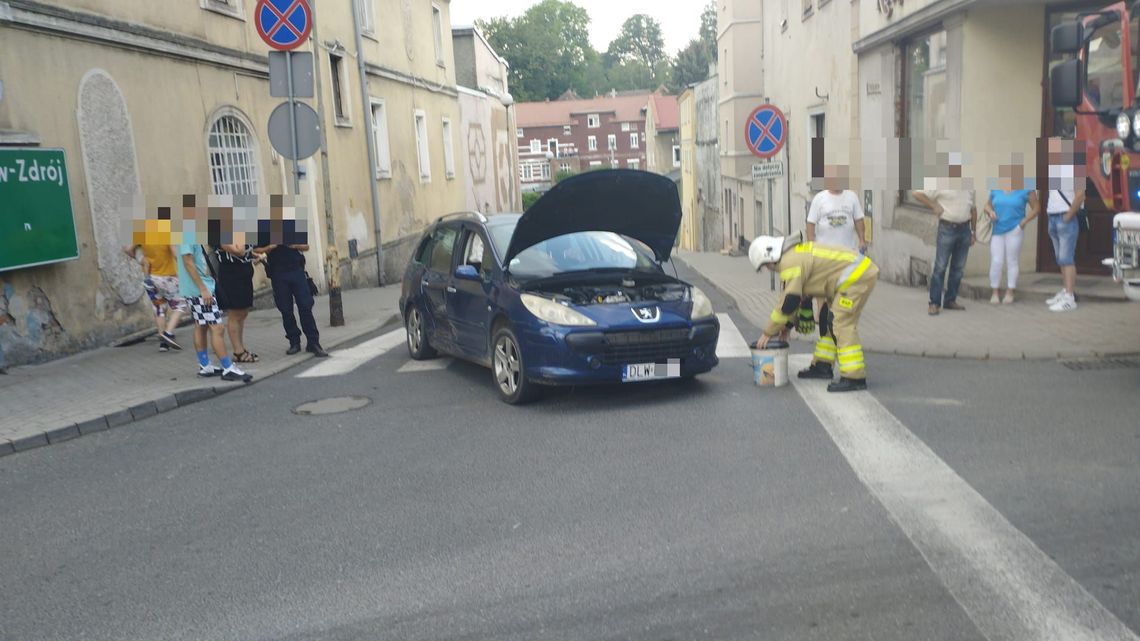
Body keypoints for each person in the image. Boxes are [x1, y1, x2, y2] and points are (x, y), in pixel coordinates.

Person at [749, 232, 879, 393]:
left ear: (770, 256)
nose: (768, 269)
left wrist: (768, 333)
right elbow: (796, 296)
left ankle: (854, 377)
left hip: (857, 277)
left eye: (765, 265)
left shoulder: (790, 263)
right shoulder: (792, 257)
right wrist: (788, 325)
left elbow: (789, 300)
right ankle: (823, 366)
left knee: (840, 323)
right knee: (826, 319)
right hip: (845, 280)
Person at [801, 164, 868, 379]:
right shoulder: (820, 199)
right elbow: (810, 225)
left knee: (840, 315)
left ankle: (840, 361)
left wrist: (863, 240)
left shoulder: (851, 198)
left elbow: (859, 221)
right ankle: (825, 361)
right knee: (824, 313)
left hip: (847, 264)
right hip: (824, 263)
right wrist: (812, 247)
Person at [911, 154, 977, 315]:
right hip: (947, 229)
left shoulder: (968, 185)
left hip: (964, 229)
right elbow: (917, 194)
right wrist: (933, 205)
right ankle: (934, 303)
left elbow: (973, 209)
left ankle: (950, 300)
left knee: (958, 268)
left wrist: (973, 232)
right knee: (940, 267)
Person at [122, 214, 185, 352]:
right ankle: (168, 333)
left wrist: (139, 259)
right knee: (180, 305)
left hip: (151, 279)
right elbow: (175, 254)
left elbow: (127, 249)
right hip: (169, 277)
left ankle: (163, 343)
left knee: (159, 310)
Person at [258, 242, 328, 357]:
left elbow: (306, 246)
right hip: (278, 273)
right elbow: (255, 251)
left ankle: (313, 342)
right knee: (286, 309)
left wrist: (294, 246)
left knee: (305, 306)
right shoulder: (263, 225)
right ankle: (294, 341)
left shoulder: (293, 224)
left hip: (296, 270)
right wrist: (268, 248)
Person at [984, 163, 1040, 304]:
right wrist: (990, 212)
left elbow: (1037, 208)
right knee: (996, 261)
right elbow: (987, 205)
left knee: (1012, 260)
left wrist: (1024, 222)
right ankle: (995, 292)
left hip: (1015, 230)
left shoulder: (1026, 189)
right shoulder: (996, 188)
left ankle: (1010, 291)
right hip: (997, 229)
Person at [1044, 137, 1085, 312]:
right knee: (1061, 259)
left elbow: (1080, 194)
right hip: (1053, 216)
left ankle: (1070, 297)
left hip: (1064, 218)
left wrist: (1068, 216)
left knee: (1067, 258)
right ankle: (1065, 290)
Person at [215, 242, 263, 363]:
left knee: (243, 312)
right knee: (235, 313)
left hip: (244, 273)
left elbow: (246, 249)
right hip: (231, 276)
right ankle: (238, 352)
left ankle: (241, 348)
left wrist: (254, 254)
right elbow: (238, 250)